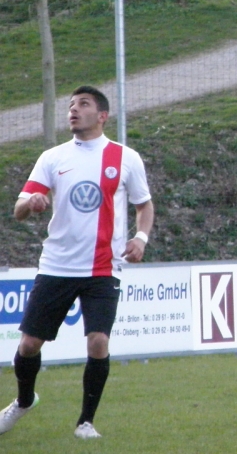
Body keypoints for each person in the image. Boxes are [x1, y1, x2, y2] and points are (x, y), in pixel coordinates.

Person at [0, 86, 154, 440]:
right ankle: (23, 401)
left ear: (102, 116)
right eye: (70, 105)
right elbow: (19, 209)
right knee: (29, 346)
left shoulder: (125, 158)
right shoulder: (52, 157)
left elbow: (144, 205)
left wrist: (140, 238)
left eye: (83, 104)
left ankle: (85, 422)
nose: (73, 109)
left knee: (98, 341)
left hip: (103, 267)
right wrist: (31, 203)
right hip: (57, 266)